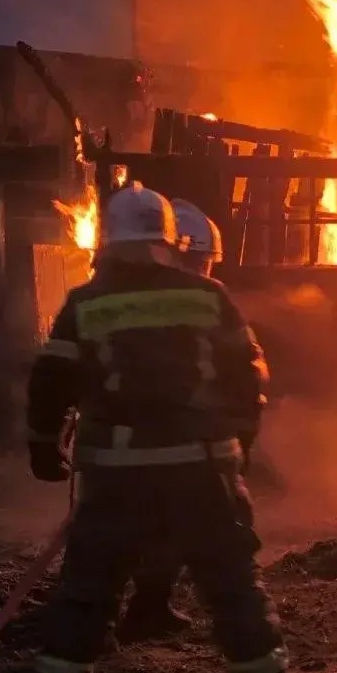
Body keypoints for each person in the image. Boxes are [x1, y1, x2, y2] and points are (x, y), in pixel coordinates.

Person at [22, 182, 290, 673]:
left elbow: (51, 382)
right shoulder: (208, 296)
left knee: (88, 591)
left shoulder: (86, 303)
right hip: (203, 471)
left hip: (117, 475)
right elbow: (248, 375)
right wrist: (239, 441)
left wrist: (44, 447)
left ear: (110, 242)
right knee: (233, 589)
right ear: (170, 242)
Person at [118, 198, 228, 640]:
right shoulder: (154, 309)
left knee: (164, 528)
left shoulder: (188, 305)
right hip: (145, 444)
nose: (204, 273)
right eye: (198, 263)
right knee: (132, 531)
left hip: (152, 444)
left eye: (206, 264)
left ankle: (148, 606)